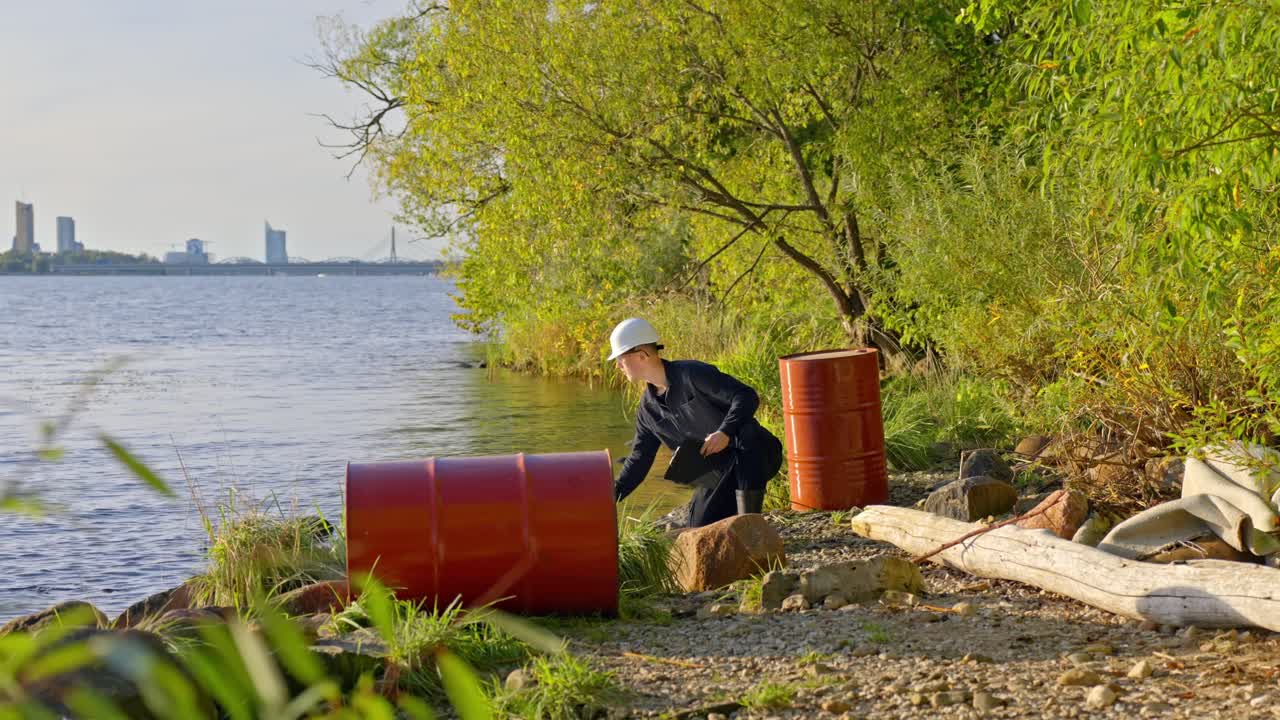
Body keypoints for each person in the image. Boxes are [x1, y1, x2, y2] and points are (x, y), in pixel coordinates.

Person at [608, 317, 783, 527]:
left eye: (620, 358)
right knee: (698, 525)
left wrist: (725, 432)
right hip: (718, 475)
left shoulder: (692, 374)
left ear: (642, 355)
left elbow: (746, 396)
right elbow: (639, 458)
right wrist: (610, 497)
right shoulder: (647, 411)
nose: (618, 365)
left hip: (757, 456)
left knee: (747, 432)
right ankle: (737, 524)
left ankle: (751, 524)